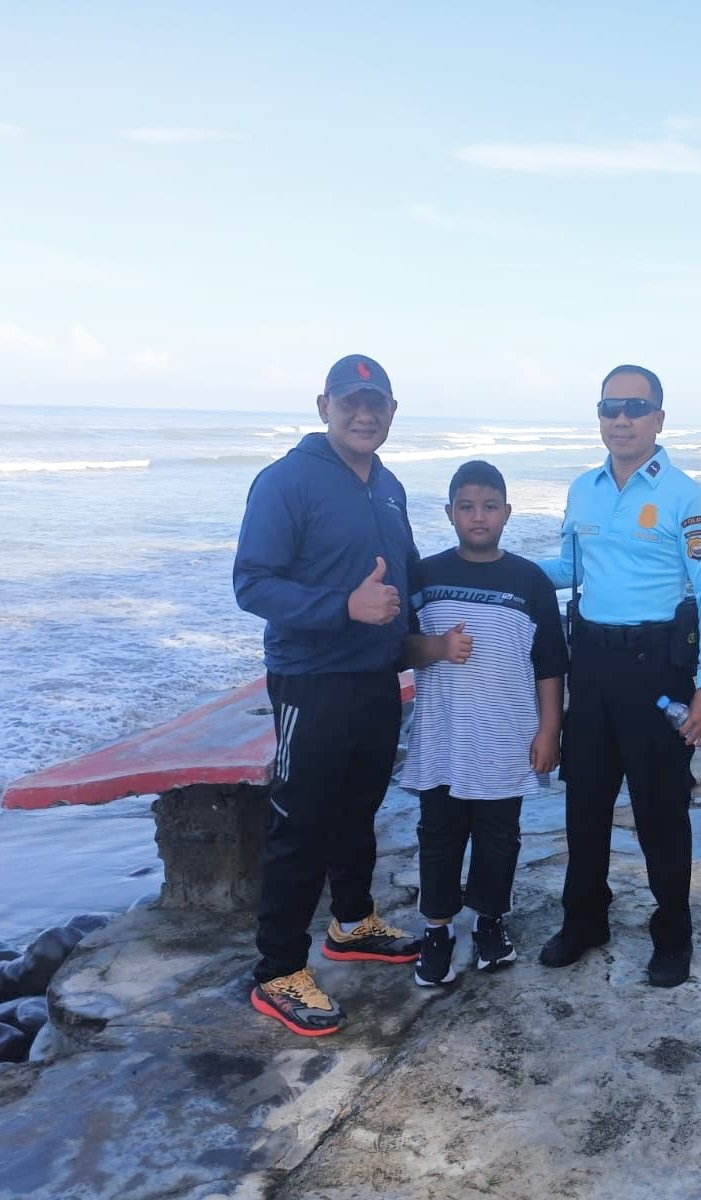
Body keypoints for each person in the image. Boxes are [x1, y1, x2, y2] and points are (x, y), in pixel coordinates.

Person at [233, 353, 422, 1037]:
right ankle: (278, 968)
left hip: (376, 676)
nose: (364, 413)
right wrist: (345, 605)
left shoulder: (389, 486)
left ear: (393, 412)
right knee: (301, 821)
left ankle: (351, 921)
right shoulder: (287, 481)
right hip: (311, 678)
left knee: (358, 808)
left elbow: (407, 575)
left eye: (376, 403)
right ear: (324, 406)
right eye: (350, 401)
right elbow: (252, 583)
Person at [536, 364, 701, 988]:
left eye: (635, 407)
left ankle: (673, 934)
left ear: (658, 420)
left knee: (660, 812)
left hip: (657, 672)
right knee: (585, 803)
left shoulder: (682, 495)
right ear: (599, 416)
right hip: (590, 664)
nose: (621, 418)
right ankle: (584, 919)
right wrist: (493, 566)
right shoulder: (582, 490)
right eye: (610, 406)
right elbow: (568, 566)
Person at [399, 461, 567, 987]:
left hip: (505, 738)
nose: (478, 517)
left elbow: (550, 664)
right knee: (440, 836)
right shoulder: (424, 576)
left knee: (499, 838)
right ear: (449, 513)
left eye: (489, 506)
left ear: (507, 513)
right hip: (442, 739)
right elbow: (400, 649)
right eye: (467, 507)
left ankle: (490, 922)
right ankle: (437, 929)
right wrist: (439, 647)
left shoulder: (529, 580)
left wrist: (549, 731)